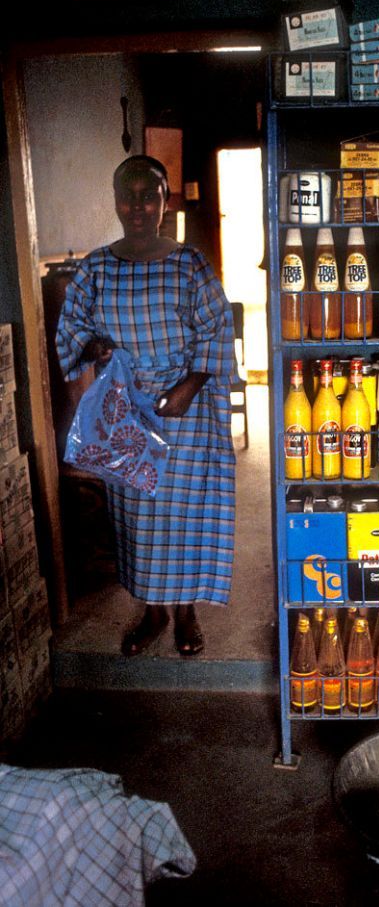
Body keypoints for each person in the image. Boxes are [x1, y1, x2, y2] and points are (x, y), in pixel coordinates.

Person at [56, 155, 237, 657]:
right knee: (137, 514)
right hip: (127, 406)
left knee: (183, 513)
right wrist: (92, 348)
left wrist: (191, 383)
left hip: (186, 407)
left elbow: (218, 329)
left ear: (164, 201)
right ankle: (153, 611)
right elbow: (74, 326)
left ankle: (186, 613)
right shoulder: (96, 265)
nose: (137, 206)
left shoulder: (189, 263)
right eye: (127, 195)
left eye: (149, 195)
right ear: (114, 200)